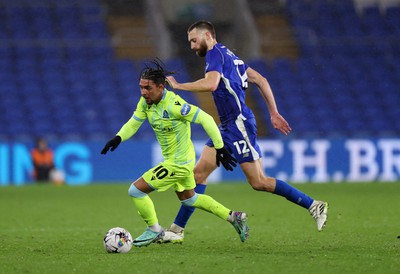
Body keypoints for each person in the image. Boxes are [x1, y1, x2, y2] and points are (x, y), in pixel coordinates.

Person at [163, 20, 328, 243]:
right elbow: (261, 79)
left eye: (194, 40)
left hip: (238, 125)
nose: (192, 46)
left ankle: (314, 205)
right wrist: (273, 112)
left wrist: (180, 86)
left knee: (259, 182)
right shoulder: (231, 56)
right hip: (227, 126)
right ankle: (176, 230)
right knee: (198, 174)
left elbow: (211, 84)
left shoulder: (215, 55)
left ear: (209, 36)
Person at [101, 60, 248, 247]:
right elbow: (134, 122)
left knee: (136, 191)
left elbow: (207, 119)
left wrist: (219, 147)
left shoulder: (175, 105)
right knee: (191, 200)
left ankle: (154, 230)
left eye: (148, 88)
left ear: (161, 87)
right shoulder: (146, 103)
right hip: (177, 160)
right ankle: (234, 217)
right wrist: (118, 138)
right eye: (141, 87)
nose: (144, 92)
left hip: (179, 163)